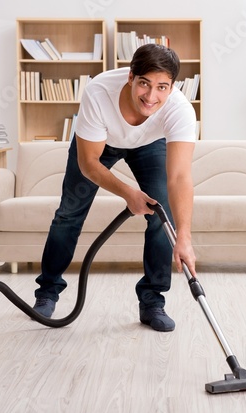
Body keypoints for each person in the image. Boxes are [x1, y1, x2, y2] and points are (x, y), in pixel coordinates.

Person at [33, 43, 197, 332]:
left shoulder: (179, 110)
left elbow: (180, 177)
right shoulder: (99, 92)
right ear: (131, 77)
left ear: (172, 88)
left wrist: (184, 236)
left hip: (149, 145)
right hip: (100, 144)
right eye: (144, 84)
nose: (151, 96)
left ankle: (152, 301)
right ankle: (47, 292)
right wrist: (127, 193)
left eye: (162, 87)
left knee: (163, 214)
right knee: (69, 213)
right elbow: (88, 164)